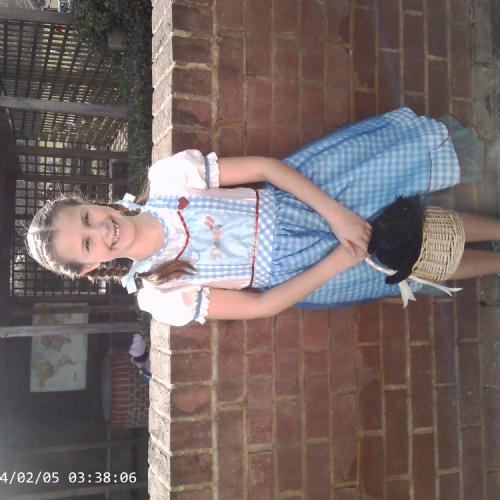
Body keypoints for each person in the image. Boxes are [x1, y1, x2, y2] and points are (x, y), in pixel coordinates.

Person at [27, 107, 496, 326]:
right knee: (416, 257)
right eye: (86, 244)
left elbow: (267, 169)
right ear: (89, 268)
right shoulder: (160, 295)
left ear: (92, 203)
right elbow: (260, 306)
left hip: (310, 200)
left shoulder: (168, 180)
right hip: (307, 272)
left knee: (420, 222)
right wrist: (337, 260)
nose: (101, 229)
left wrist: (335, 216)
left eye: (86, 217)